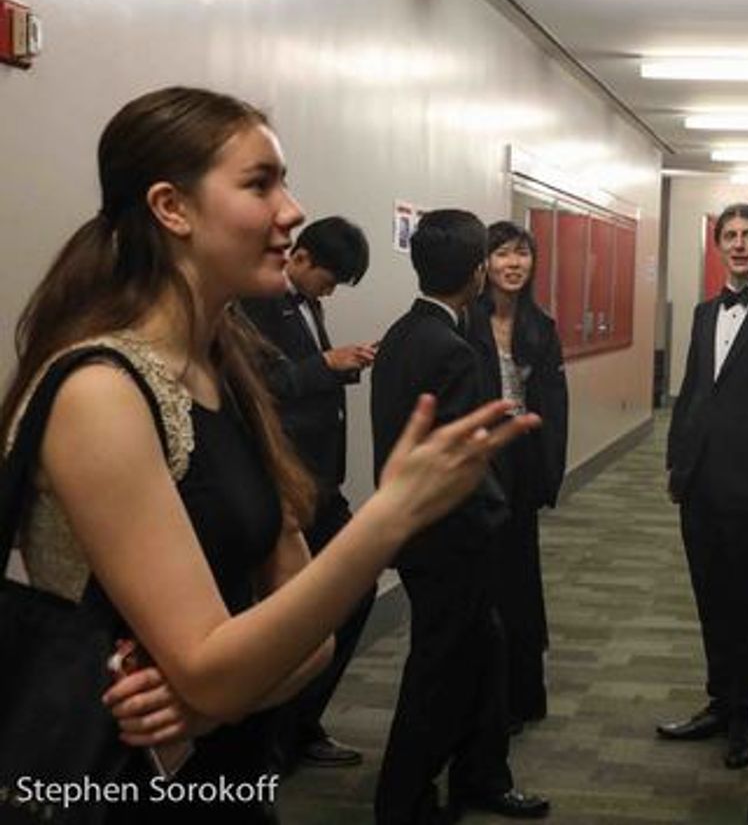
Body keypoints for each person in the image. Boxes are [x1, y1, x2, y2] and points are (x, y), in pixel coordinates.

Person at [0, 86, 534, 824]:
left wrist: (218, 698)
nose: (290, 211)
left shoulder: (226, 368)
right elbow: (222, 661)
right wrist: (388, 517)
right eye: (260, 183)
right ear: (171, 207)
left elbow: (310, 643)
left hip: (227, 778)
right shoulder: (102, 389)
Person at [371, 209, 550, 824]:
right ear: (478, 273)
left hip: (423, 532)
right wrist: (492, 521)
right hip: (448, 538)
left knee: (484, 655)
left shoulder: (402, 333)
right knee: (438, 673)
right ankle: (404, 800)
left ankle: (480, 774)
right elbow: (458, 460)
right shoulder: (449, 349)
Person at [658, 203, 748, 770]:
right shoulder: (701, 313)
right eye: (730, 236)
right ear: (718, 245)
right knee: (710, 599)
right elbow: (694, 389)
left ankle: (747, 714)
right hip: (700, 482)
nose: (739, 245)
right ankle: (720, 702)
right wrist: (677, 461)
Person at [239, 216, 377, 771]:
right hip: (285, 483)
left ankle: (300, 724)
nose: (331, 290)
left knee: (354, 587)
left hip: (322, 479)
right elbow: (259, 387)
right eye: (330, 278)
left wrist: (341, 366)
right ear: (301, 257)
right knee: (295, 607)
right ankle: (279, 734)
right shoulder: (255, 305)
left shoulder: (306, 303)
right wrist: (324, 364)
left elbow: (301, 377)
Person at [469, 221, 569, 733]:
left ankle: (523, 694)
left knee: (520, 582)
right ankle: (488, 699)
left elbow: (555, 404)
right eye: (503, 254)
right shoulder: (467, 322)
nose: (514, 264)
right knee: (485, 586)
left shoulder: (539, 325)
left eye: (523, 254)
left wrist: (551, 471)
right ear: (484, 263)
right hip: (481, 467)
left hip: (523, 467)